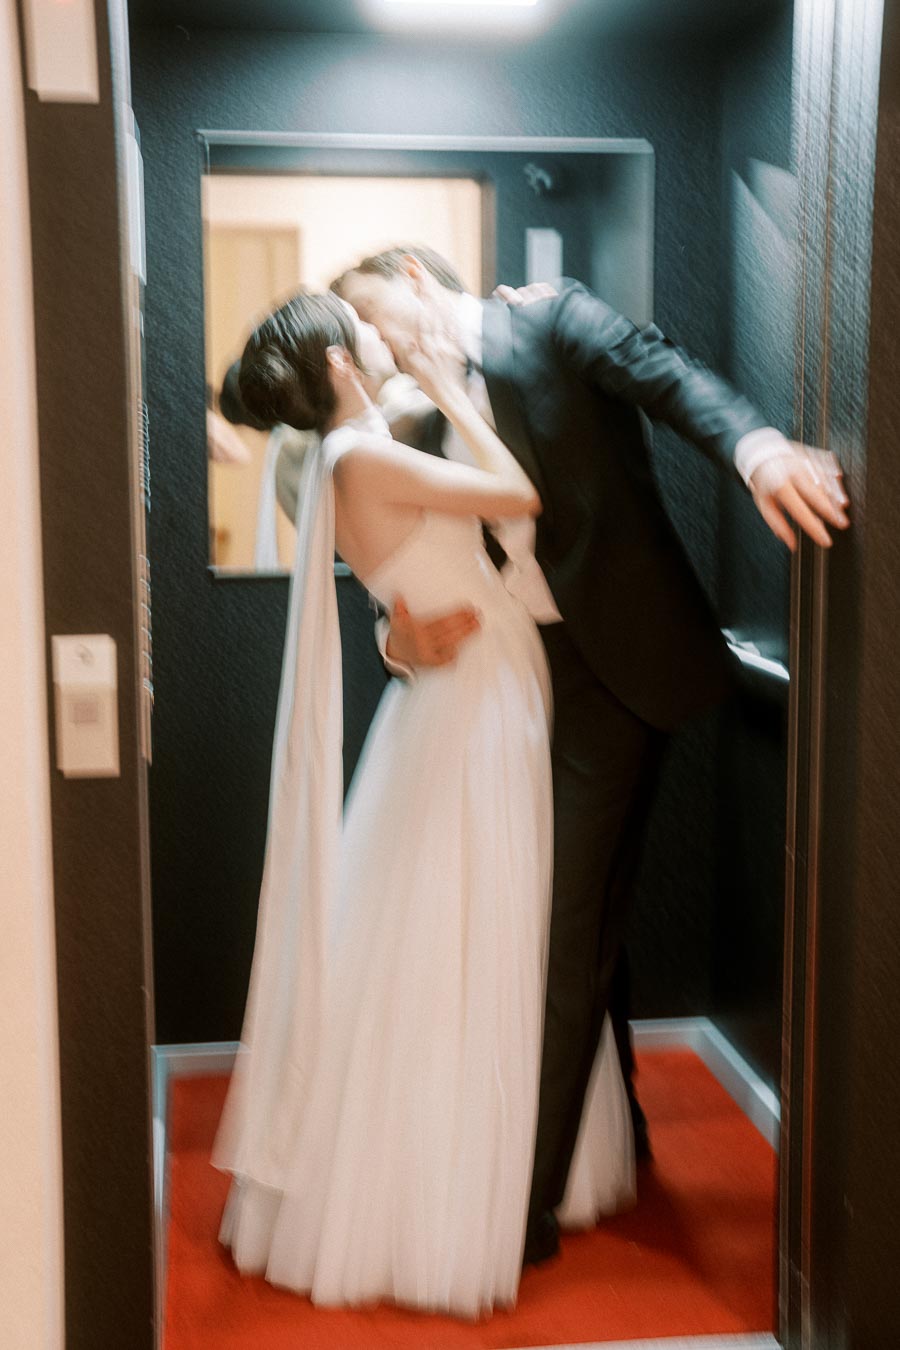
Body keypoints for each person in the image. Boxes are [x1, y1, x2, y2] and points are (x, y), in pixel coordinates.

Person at [334, 246, 851, 1264]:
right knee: (579, 902)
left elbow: (668, 377)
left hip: (617, 671)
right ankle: (615, 1135)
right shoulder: (413, 409)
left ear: (416, 276)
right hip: (504, 686)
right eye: (368, 335)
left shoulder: (552, 320)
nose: (385, 342)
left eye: (379, 314)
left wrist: (758, 452)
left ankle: (521, 1208)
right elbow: (384, 550)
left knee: (563, 925)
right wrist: (395, 641)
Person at [211, 291, 635, 1317]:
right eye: (353, 323)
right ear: (339, 363)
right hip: (477, 703)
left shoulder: (343, 462)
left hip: (454, 701)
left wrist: (397, 638)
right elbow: (517, 494)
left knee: (442, 933)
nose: (372, 328)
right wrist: (447, 385)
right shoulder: (364, 456)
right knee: (481, 930)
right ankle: (452, 1194)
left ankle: (467, 1167)